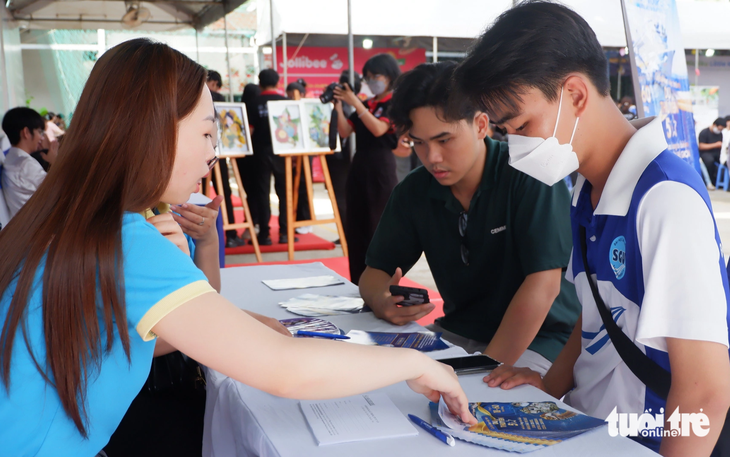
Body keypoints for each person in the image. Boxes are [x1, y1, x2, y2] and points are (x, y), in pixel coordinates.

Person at [0, 39, 475, 456]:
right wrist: (413, 362)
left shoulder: (61, 218)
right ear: (153, 131)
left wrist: (242, 322)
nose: (212, 152)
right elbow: (284, 370)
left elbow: (120, 337)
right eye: (206, 132)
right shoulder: (126, 241)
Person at [453, 2, 730, 455]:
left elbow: (706, 392)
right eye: (507, 133)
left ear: (576, 95)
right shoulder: (587, 191)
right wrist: (548, 385)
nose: (518, 145)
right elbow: (597, 315)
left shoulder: (664, 200)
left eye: (521, 125)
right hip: (588, 430)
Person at [360, 62, 580, 374]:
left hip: (542, 339)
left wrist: (482, 370)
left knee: (483, 406)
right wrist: (382, 300)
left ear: (480, 125)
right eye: (418, 143)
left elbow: (544, 286)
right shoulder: (414, 191)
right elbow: (374, 273)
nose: (431, 157)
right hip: (459, 333)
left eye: (444, 140)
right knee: (389, 387)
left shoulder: (530, 176)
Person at [333, 54, 401, 284]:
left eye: (376, 76)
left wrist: (355, 103)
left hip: (380, 168)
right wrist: (340, 106)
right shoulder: (368, 103)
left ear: (390, 76)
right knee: (357, 226)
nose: (372, 81)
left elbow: (379, 129)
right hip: (359, 165)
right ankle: (357, 283)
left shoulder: (393, 102)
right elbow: (344, 131)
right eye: (368, 77)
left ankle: (380, 284)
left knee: (375, 225)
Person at [248, 69, 297, 245]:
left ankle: (264, 235)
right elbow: (292, 132)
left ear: (260, 84)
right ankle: (285, 233)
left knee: (263, 193)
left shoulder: (253, 103)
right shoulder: (286, 102)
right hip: (283, 152)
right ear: (278, 83)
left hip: (260, 153)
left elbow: (250, 132)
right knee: (285, 193)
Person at [1, 107, 58, 218]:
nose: (41, 138)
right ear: (26, 133)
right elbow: (59, 190)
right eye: (39, 132)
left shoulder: (10, 160)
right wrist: (55, 162)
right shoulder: (26, 165)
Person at [699, 117, 726, 184]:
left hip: (717, 153)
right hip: (706, 153)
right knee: (709, 161)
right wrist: (715, 145)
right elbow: (701, 146)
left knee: (723, 160)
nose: (719, 131)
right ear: (714, 125)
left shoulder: (719, 134)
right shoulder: (704, 132)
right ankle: (711, 180)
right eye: (719, 129)